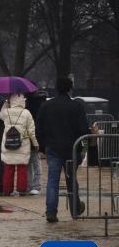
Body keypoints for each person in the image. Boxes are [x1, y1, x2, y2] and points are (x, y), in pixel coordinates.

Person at [36, 76, 90, 223]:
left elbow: (38, 128)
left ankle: (51, 211)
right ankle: (75, 209)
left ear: (56, 88)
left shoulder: (46, 106)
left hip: (53, 148)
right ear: (70, 88)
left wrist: (43, 146)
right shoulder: (77, 106)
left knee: (52, 180)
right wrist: (81, 147)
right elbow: (83, 130)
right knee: (71, 179)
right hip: (72, 148)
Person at [0, 92, 38, 196]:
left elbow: (0, 115)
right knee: (22, 169)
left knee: (8, 168)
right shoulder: (26, 113)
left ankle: (7, 190)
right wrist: (35, 143)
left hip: (8, 143)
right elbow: (31, 131)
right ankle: (21, 190)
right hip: (23, 144)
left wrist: (6, 102)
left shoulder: (6, 111)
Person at [25, 89, 47, 196]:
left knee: (30, 162)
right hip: (36, 136)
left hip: (27, 137)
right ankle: (35, 185)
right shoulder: (41, 104)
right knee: (35, 161)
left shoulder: (27, 105)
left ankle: (30, 185)